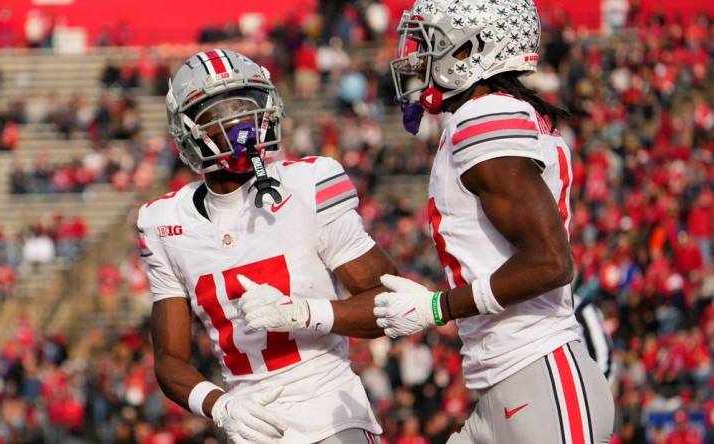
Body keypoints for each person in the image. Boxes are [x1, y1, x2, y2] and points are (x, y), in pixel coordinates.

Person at [365, 0, 614, 443]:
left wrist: (436, 307)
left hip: (539, 373)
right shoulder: (484, 115)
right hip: (507, 385)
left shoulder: (485, 115)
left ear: (474, 49)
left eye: (432, 44)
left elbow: (550, 262)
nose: (417, 57)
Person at [140, 49, 395, 443]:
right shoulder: (163, 223)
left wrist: (305, 312)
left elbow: (392, 302)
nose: (239, 120)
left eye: (247, 105)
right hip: (250, 425)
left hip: (330, 413)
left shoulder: (311, 183)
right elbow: (170, 360)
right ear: (189, 129)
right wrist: (219, 405)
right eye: (220, 110)